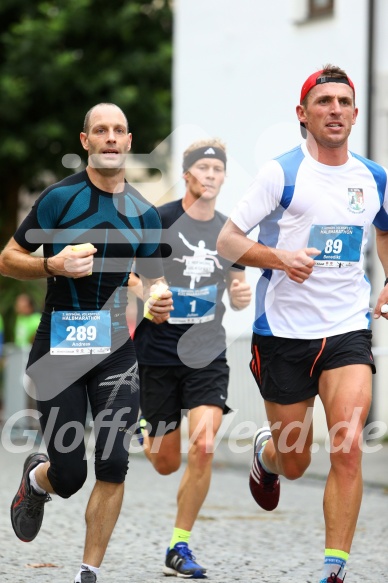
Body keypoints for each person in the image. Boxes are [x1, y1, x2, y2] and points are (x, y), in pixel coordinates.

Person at [216, 64, 388, 583]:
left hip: (346, 329)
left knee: (348, 446)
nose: (334, 110)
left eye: (343, 102)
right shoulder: (281, 173)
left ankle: (333, 570)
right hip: (283, 334)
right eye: (323, 102)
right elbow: (228, 241)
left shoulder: (373, 176)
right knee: (295, 461)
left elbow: (384, 230)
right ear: (303, 114)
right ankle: (266, 456)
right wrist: (279, 259)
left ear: (355, 114)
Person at [0, 102, 172, 583]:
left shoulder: (144, 212)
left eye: (119, 130)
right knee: (70, 474)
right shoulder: (59, 200)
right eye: (101, 130)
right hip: (58, 350)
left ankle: (87, 573)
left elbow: (152, 281)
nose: (111, 137)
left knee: (114, 462)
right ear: (86, 142)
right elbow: (8, 258)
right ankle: (38, 480)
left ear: (129, 141)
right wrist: (51, 266)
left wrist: (159, 301)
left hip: (116, 349)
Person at [133, 139, 252, 578]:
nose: (210, 175)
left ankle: (179, 545)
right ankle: (147, 428)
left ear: (223, 177)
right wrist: (147, 293)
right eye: (201, 167)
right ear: (186, 174)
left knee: (203, 444)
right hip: (158, 354)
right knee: (165, 462)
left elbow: (238, 289)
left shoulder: (228, 231)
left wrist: (241, 294)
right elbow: (133, 274)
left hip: (207, 353)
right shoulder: (159, 221)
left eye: (216, 169)